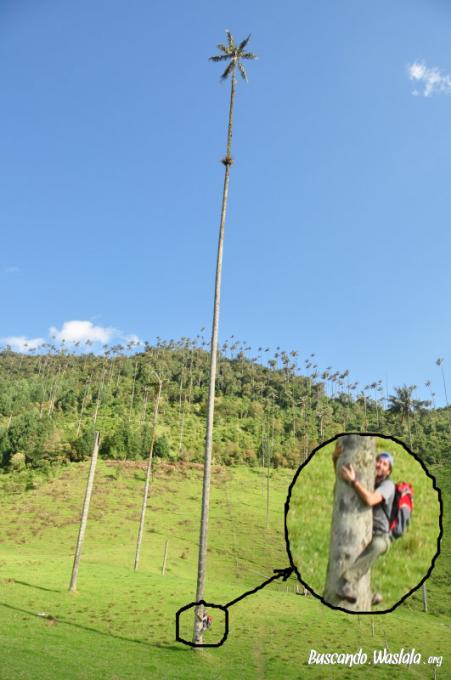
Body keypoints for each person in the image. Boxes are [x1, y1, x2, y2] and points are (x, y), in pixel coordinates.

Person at [335, 451, 395, 605]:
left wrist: (353, 481)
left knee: (377, 546)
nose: (380, 465)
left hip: (381, 535)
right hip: (361, 530)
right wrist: (336, 457)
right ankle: (368, 594)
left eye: (385, 464)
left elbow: (370, 499)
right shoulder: (367, 479)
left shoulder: (388, 485)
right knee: (362, 558)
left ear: (388, 471)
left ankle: (347, 582)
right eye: (378, 461)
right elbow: (343, 473)